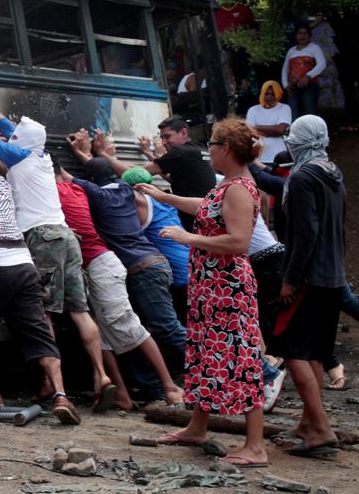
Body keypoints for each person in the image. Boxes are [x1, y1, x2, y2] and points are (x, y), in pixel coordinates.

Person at [0, 79, 104, 421]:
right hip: (53, 245)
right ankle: (60, 393)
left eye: (11, 139)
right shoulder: (40, 156)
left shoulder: (14, 161)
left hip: (31, 244)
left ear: (17, 145)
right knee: (50, 322)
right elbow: (3, 128)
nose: (6, 139)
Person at [136, 118, 267, 468]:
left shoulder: (239, 188)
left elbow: (238, 242)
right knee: (205, 353)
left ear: (225, 149)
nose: (206, 149)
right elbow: (204, 207)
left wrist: (188, 238)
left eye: (211, 144)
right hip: (212, 286)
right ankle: (197, 426)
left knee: (242, 358)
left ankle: (255, 445)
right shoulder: (227, 184)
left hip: (228, 287)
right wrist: (164, 196)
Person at [51, 158, 185, 411]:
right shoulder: (126, 190)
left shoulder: (94, 194)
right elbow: (134, 175)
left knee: (150, 328)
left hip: (135, 267)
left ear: (90, 181)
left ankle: (176, 384)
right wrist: (92, 153)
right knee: (105, 334)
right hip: (149, 262)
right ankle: (127, 391)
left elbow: (66, 176)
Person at [268, 115, 346, 458]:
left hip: (308, 278)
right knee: (314, 349)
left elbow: (305, 233)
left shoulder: (300, 178)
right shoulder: (333, 173)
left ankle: (321, 429)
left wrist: (290, 279)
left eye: (292, 136)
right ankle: (307, 423)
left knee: (292, 349)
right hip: (333, 275)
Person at [96, 116, 216, 230]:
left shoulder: (181, 152)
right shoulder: (199, 149)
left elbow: (136, 173)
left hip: (193, 218)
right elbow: (169, 176)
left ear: (184, 133)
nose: (164, 142)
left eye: (167, 137)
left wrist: (102, 153)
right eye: (162, 138)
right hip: (208, 215)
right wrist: (148, 153)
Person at [122, 167, 190, 323]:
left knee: (184, 326)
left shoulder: (142, 205)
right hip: (190, 266)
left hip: (181, 277)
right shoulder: (165, 201)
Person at [281, 23, 328, 120]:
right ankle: (294, 135)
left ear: (310, 35)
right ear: (296, 35)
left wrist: (308, 76)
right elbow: (285, 69)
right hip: (293, 87)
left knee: (309, 114)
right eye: (300, 33)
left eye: (305, 33)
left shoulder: (314, 47)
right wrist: (286, 86)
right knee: (293, 114)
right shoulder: (291, 50)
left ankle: (311, 134)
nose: (302, 36)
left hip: (309, 86)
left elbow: (322, 64)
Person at [245, 81, 292, 165]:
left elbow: (281, 130)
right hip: (258, 157)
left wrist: (257, 127)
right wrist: (274, 131)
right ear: (262, 93)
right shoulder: (253, 110)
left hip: (278, 155)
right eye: (267, 94)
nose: (269, 96)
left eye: (273, 94)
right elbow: (249, 132)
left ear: (278, 94)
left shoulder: (284, 108)